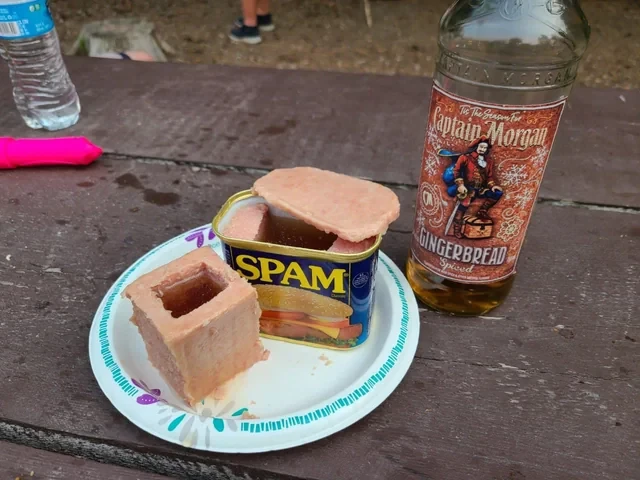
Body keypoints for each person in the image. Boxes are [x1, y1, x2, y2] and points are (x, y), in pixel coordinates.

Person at [451, 136, 503, 238]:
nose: (482, 149)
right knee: (462, 208)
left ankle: (482, 211)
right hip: (468, 189)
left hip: (481, 189)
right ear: (476, 147)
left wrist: (492, 186)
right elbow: (457, 171)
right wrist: (461, 185)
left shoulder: (488, 161)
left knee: (497, 193)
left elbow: (489, 176)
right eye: (481, 147)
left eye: (485, 148)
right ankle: (457, 229)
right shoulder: (465, 158)